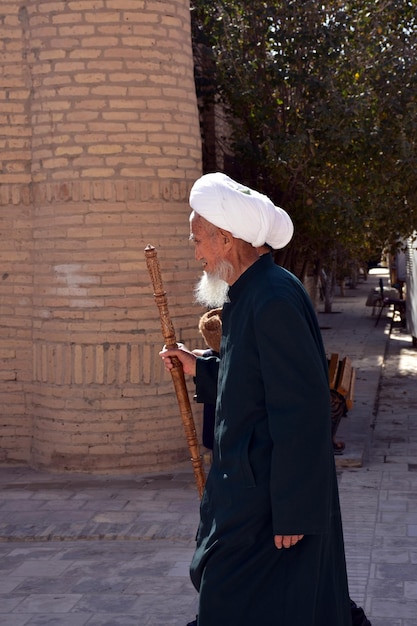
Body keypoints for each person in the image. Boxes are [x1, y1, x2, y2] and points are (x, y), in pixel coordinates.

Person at [160, 172, 352, 625]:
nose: (196, 253)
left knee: (234, 602)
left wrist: (294, 512)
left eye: (198, 241)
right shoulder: (250, 293)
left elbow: (302, 410)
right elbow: (256, 380)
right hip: (248, 494)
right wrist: (200, 367)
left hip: (270, 508)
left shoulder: (274, 298)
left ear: (226, 240)